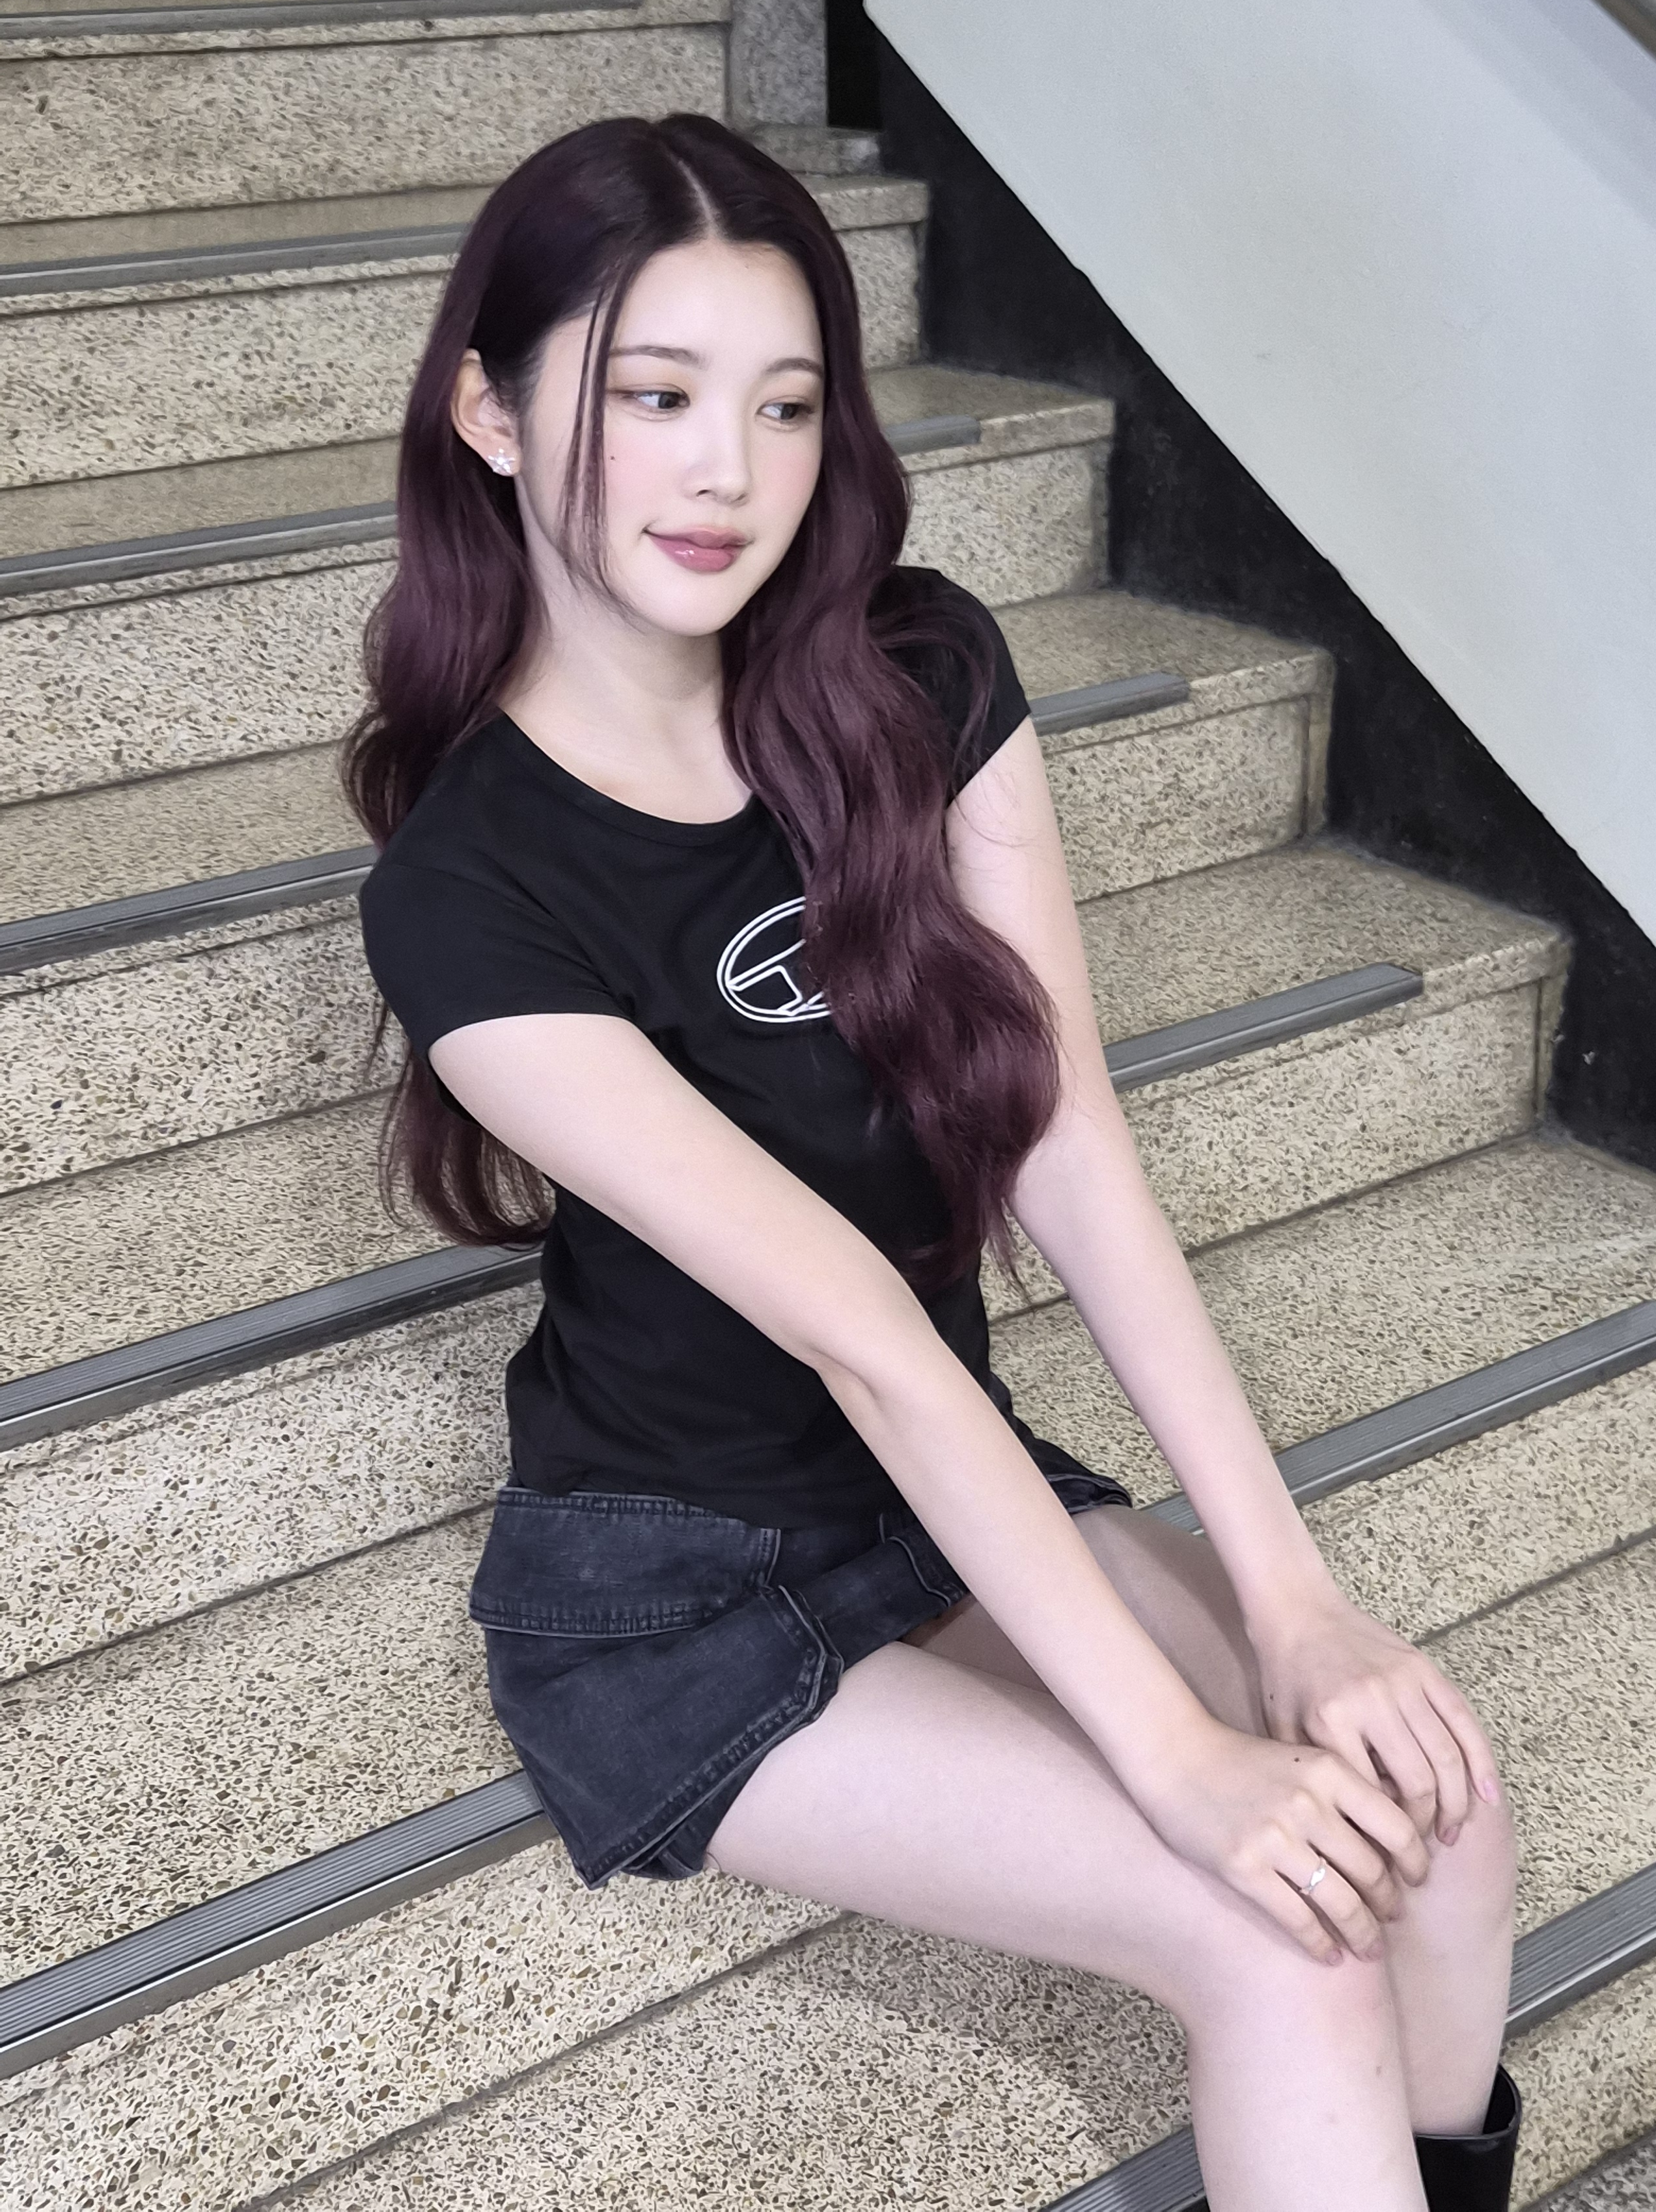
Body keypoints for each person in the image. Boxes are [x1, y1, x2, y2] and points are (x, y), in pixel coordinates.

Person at [348, 113, 1521, 2212]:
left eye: (786, 404)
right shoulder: (469, 893)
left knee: (1431, 1814)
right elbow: (868, 1337)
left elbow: (1066, 1141)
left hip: (936, 1492)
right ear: (494, 416)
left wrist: (1296, 1603)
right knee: (1279, 1932)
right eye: (654, 395)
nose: (728, 470)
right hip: (674, 1582)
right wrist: (1181, 1762)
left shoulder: (915, 672)